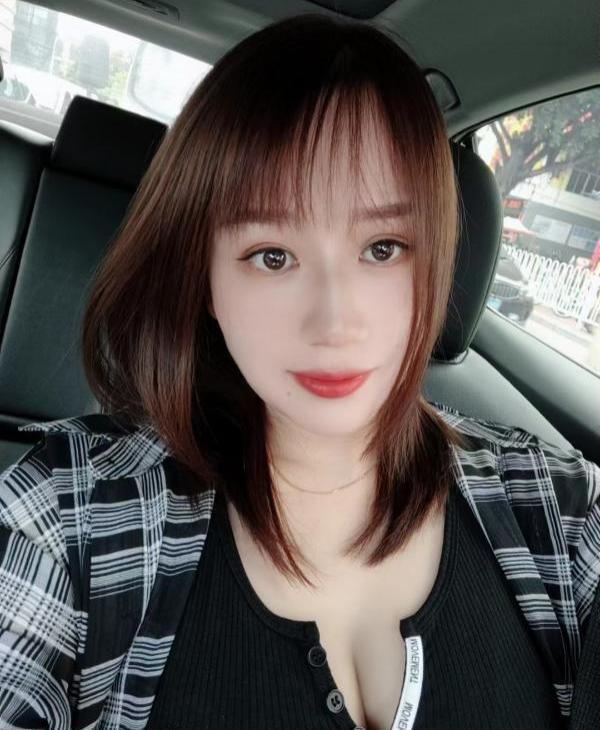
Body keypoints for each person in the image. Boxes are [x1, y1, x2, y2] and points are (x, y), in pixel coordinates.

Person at [1, 13, 599, 730]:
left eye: (383, 248)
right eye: (273, 256)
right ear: (206, 282)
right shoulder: (70, 520)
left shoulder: (556, 507)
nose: (335, 323)